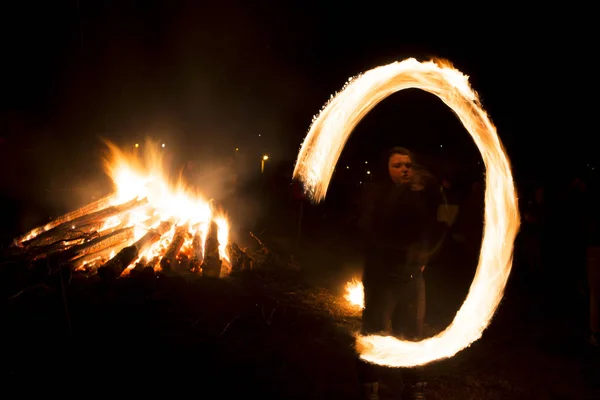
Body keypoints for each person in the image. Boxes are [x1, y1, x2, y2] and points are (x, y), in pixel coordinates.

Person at [357, 147, 439, 400]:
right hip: (383, 277)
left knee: (412, 330)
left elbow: (431, 226)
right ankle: (370, 384)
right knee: (376, 331)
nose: (405, 169)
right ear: (386, 170)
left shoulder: (420, 195)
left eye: (408, 165)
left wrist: (424, 255)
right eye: (397, 165)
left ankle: (414, 384)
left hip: (412, 277)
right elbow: (376, 229)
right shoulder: (379, 195)